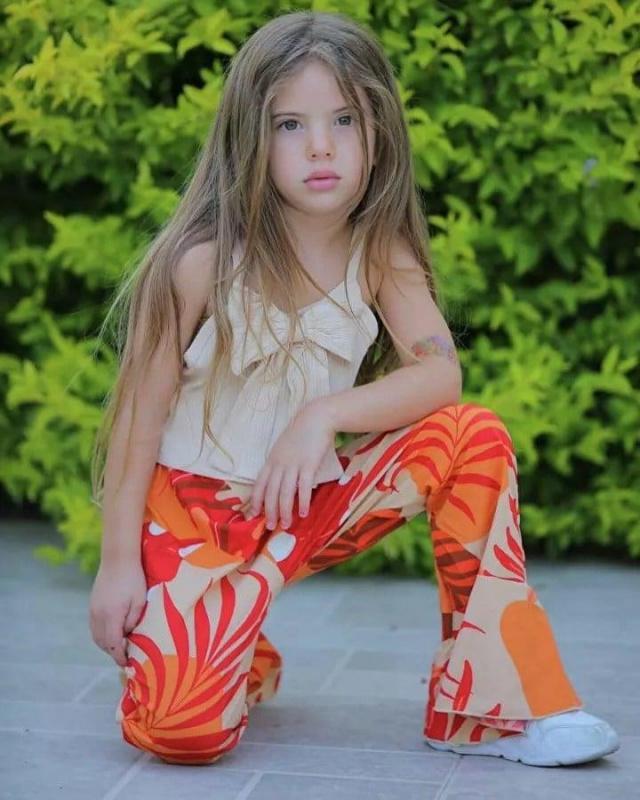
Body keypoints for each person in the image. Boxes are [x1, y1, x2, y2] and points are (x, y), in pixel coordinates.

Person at [88, 10, 620, 769]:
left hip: (302, 505)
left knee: (472, 436)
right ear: (249, 137)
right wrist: (117, 567)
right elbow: (138, 420)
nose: (322, 147)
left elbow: (440, 373)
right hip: (195, 523)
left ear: (378, 131)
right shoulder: (199, 262)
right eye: (291, 125)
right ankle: (233, 642)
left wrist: (324, 416)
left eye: (343, 119)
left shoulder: (379, 251)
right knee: (180, 733)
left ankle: (491, 710)